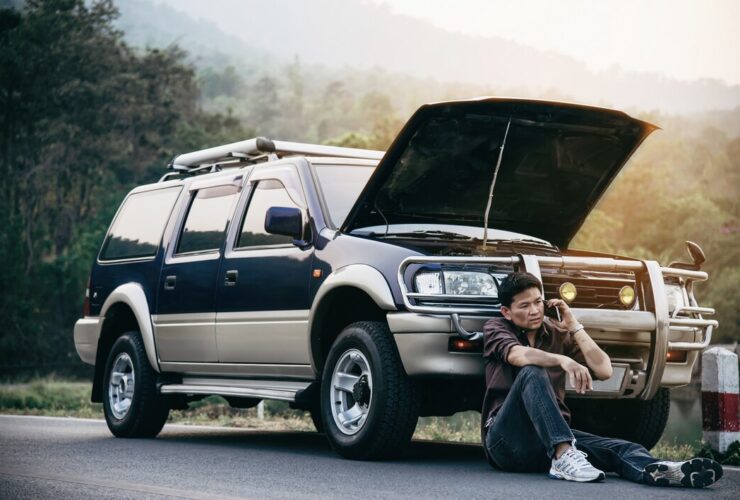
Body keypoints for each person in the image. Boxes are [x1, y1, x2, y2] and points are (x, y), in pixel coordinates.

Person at [481, 271, 723, 487]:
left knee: (625, 448)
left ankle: (660, 472)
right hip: (506, 442)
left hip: (546, 441)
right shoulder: (496, 328)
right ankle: (563, 455)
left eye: (537, 302)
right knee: (532, 372)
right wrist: (563, 360)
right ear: (507, 312)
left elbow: (604, 369)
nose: (534, 311)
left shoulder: (556, 334)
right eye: (524, 306)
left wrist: (574, 326)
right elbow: (518, 355)